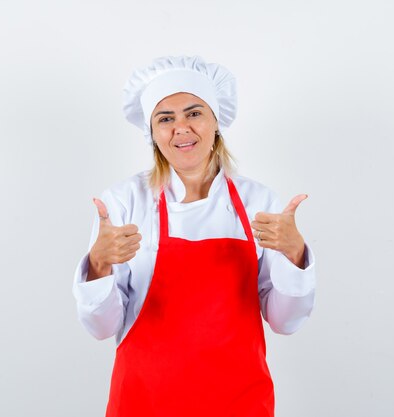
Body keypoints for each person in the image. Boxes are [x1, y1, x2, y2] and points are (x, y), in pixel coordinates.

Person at [72, 55, 316, 417]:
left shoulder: (258, 203)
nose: (181, 128)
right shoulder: (123, 203)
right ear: (151, 133)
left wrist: (295, 256)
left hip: (240, 402)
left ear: (216, 121)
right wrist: (98, 264)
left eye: (194, 113)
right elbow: (102, 327)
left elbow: (285, 321)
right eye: (165, 119)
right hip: (143, 402)